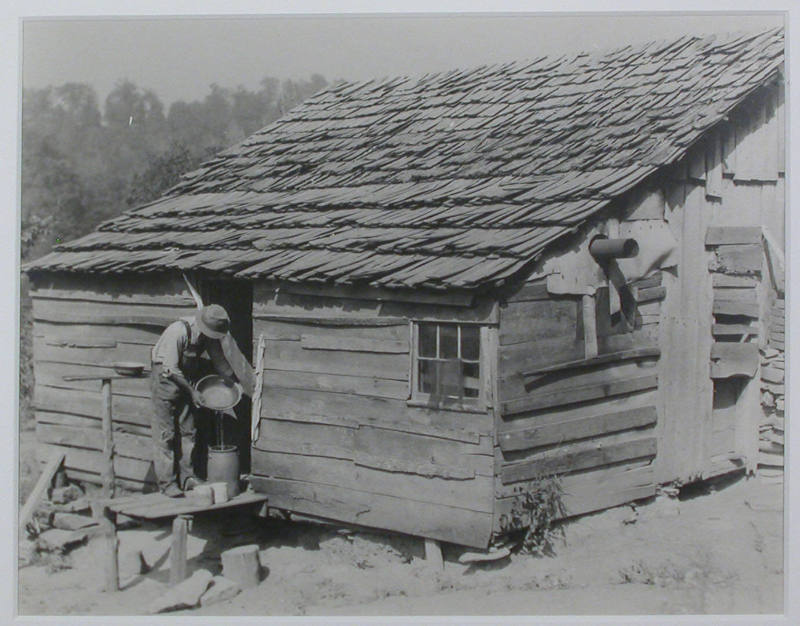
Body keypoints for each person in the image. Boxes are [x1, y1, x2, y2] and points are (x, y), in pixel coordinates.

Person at [150, 304, 238, 497]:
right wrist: (192, 391)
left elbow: (219, 361)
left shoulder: (208, 337)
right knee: (166, 434)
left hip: (186, 382)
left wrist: (234, 383)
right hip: (166, 380)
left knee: (189, 431)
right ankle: (167, 483)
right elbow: (170, 368)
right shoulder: (178, 331)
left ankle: (188, 477)